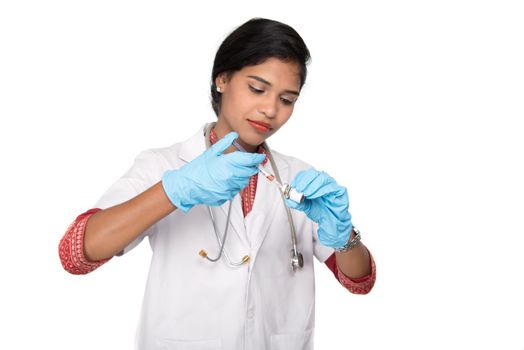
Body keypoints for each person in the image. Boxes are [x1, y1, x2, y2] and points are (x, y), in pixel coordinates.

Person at [59, 17, 376, 350]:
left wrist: (345, 239)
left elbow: (359, 281)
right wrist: (174, 190)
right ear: (222, 79)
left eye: (287, 99)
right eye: (257, 88)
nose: (270, 110)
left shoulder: (299, 179)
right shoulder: (164, 165)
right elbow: (75, 254)